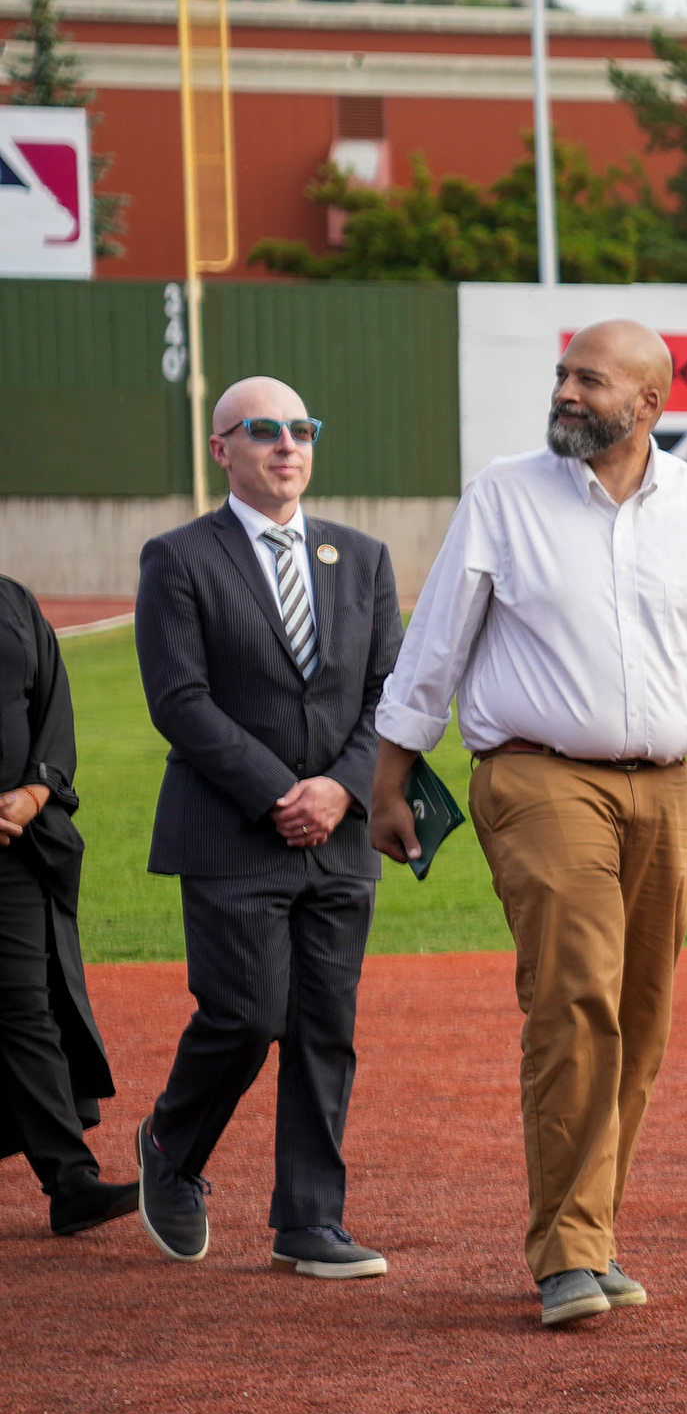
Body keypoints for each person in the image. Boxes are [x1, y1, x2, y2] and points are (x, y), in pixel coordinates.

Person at [370, 319, 687, 1330]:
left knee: (640, 1017)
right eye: (563, 375)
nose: (566, 392)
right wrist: (390, 777)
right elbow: (434, 646)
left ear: (648, 404)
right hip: (537, 777)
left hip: (669, 788)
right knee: (575, 998)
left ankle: (593, 1230)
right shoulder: (504, 495)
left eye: (591, 380)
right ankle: (567, 1248)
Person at [131, 376, 400, 1277]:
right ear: (222, 450)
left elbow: (391, 693)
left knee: (325, 1027)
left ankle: (310, 1221)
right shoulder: (179, 558)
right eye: (263, 430)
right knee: (246, 1017)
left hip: (341, 836)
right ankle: (170, 1147)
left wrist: (340, 790)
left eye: (301, 430)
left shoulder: (362, 558)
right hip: (232, 832)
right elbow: (179, 700)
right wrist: (283, 793)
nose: (287, 445)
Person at [0, 575, 128, 1238]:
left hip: (15, 845)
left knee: (25, 1004)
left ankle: (71, 1183)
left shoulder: (13, 602)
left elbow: (53, 708)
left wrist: (36, 792)